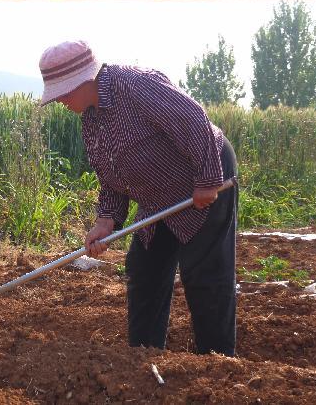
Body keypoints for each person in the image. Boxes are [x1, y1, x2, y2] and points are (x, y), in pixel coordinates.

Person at [38, 40, 239, 356]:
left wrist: (207, 180)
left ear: (83, 80)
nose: (61, 100)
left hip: (204, 174)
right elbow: (111, 176)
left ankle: (217, 362)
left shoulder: (135, 85)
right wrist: (106, 220)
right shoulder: (90, 120)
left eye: (63, 92)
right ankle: (143, 356)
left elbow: (194, 119)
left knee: (204, 272)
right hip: (156, 195)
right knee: (144, 268)